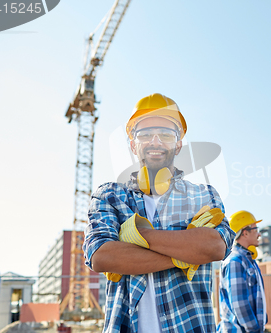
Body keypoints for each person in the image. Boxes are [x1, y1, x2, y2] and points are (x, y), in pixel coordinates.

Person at [83, 93, 235, 333]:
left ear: (178, 144)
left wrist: (133, 235)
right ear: (133, 144)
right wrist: (188, 252)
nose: (155, 141)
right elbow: (101, 256)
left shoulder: (204, 195)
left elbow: (215, 248)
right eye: (144, 134)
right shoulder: (109, 196)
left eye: (166, 134)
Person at [217, 210, 267, 333]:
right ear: (245, 233)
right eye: (256, 229)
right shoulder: (235, 261)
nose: (259, 234)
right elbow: (239, 303)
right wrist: (254, 328)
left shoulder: (248, 260)